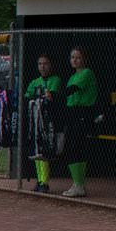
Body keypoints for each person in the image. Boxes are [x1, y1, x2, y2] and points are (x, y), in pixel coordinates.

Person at [60, 47, 99, 197]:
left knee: (76, 146)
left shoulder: (87, 73)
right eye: (72, 57)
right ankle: (78, 184)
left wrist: (55, 96)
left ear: (84, 59)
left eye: (78, 57)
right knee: (70, 146)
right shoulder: (72, 76)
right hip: (72, 113)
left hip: (83, 112)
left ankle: (79, 184)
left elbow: (73, 90)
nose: (74, 60)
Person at [24, 53, 64, 193]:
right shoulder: (35, 82)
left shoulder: (55, 80)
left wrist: (42, 96)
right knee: (37, 150)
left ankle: (44, 182)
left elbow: (50, 96)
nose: (43, 66)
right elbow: (29, 96)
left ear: (51, 65)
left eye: (45, 63)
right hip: (36, 120)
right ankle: (40, 180)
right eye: (40, 64)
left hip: (49, 120)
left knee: (45, 151)